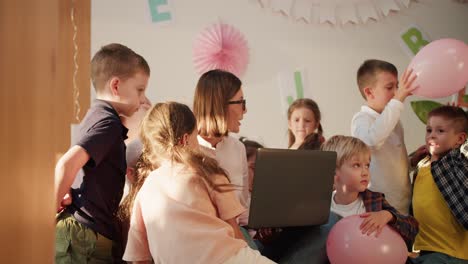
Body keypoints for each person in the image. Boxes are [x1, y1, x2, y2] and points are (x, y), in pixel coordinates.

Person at [122, 102, 275, 263]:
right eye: (196, 136)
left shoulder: (145, 190)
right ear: (186, 139)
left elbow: (139, 258)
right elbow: (234, 229)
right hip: (227, 257)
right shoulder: (207, 172)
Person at [54, 43, 150, 263]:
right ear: (116, 85)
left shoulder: (97, 117)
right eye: (140, 90)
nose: (144, 99)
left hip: (91, 232)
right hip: (84, 235)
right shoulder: (107, 123)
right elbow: (66, 165)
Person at [321, 135, 419, 249]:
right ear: (334, 173)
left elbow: (413, 228)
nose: (365, 172)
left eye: (367, 165)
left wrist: (388, 216)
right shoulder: (321, 206)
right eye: (356, 165)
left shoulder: (375, 200)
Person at [351, 59, 418, 215]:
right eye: (389, 87)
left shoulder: (395, 122)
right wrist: (397, 101)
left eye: (397, 87)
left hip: (402, 204)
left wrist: (411, 162)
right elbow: (370, 143)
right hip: (379, 207)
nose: (396, 92)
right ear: (369, 92)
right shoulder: (361, 119)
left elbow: (391, 165)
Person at [411, 106, 468, 263]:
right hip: (426, 249)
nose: (432, 136)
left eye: (440, 131)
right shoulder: (423, 165)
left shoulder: (456, 164)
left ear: (460, 139)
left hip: (451, 253)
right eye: (429, 130)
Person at [193, 69, 250, 223]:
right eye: (241, 102)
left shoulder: (238, 149)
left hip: (238, 234)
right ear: (219, 104)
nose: (245, 110)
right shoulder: (185, 151)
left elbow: (243, 208)